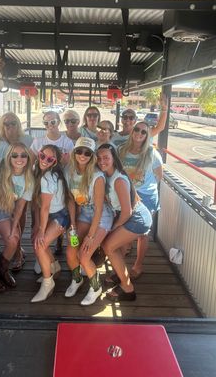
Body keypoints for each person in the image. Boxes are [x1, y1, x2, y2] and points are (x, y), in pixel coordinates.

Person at [97, 144, 152, 301]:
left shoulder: (119, 179)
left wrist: (112, 228)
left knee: (108, 245)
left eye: (106, 157)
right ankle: (119, 274)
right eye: (99, 158)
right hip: (127, 215)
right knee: (114, 247)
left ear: (114, 158)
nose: (102, 161)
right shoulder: (106, 175)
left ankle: (128, 289)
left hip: (136, 218)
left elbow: (127, 211)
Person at [64, 137, 114, 306]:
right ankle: (77, 279)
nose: (82, 155)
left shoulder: (97, 176)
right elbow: (71, 200)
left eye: (87, 152)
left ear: (92, 155)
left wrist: (91, 236)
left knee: (84, 254)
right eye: (79, 151)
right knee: (71, 251)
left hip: (100, 216)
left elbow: (99, 209)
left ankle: (96, 286)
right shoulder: (69, 171)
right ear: (74, 152)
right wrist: (72, 224)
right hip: (83, 213)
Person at [118, 121, 163, 278]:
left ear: (147, 135)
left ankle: (138, 265)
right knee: (124, 229)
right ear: (132, 131)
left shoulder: (152, 153)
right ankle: (120, 265)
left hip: (147, 197)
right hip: (127, 195)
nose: (139, 133)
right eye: (137, 129)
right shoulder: (122, 150)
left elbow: (159, 176)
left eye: (144, 132)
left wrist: (142, 188)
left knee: (143, 233)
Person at [31, 145, 74, 302]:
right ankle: (53, 267)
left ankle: (48, 282)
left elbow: (45, 207)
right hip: (56, 213)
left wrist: (41, 230)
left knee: (39, 244)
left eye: (50, 159)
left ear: (55, 161)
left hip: (59, 216)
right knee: (40, 243)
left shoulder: (47, 177)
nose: (44, 160)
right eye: (42, 156)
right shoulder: (46, 171)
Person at [0, 142, 34, 284]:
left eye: (23, 155)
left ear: (28, 158)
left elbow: (20, 206)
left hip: (6, 212)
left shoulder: (29, 178)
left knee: (14, 238)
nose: (19, 158)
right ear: (9, 157)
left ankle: (3, 270)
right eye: (14, 155)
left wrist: (14, 226)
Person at [0, 112, 33, 269]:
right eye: (6, 124)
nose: (10, 126)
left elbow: (34, 159)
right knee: (6, 220)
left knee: (19, 217)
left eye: (13, 123)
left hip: (22, 184)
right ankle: (13, 249)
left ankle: (18, 251)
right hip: (3, 188)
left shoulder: (27, 140)